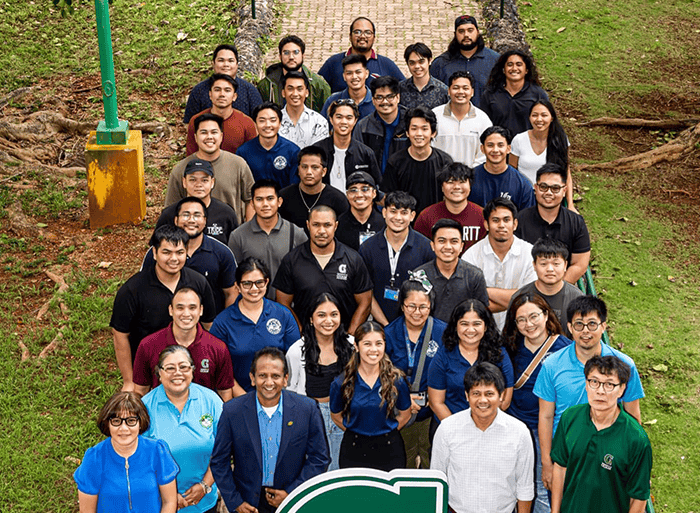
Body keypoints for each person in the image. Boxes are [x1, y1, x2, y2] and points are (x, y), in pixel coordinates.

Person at [533, 296, 645, 496]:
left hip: (608, 459)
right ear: (569, 327)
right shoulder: (552, 365)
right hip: (566, 458)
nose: (586, 331)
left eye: (592, 324)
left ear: (603, 326)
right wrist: (547, 463)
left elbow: (633, 417)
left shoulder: (624, 365)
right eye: (579, 325)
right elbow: (546, 416)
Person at [210, 347, 330, 513]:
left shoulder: (307, 409)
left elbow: (319, 458)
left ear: (285, 379)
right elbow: (219, 461)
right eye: (262, 376)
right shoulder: (232, 411)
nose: (269, 382)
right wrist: (235, 502)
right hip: (247, 503)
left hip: (291, 500)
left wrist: (292, 492)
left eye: (275, 376)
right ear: (252, 378)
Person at [110, 225, 216, 392]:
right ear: (154, 253)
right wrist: (129, 381)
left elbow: (209, 325)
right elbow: (120, 335)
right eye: (166, 252)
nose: (174, 258)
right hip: (150, 370)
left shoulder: (198, 283)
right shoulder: (132, 290)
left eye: (180, 252)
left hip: (191, 367)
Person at [550, 356, 652, 513]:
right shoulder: (569, 418)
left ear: (622, 389)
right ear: (586, 384)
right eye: (594, 382)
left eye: (609, 384)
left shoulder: (636, 439)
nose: (600, 391)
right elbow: (560, 469)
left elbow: (639, 497)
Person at [430, 362, 534, 513]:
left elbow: (525, 486)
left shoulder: (519, 432)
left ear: (501, 395)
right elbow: (437, 480)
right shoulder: (447, 429)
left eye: (489, 394)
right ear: (467, 396)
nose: (483, 400)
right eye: (476, 393)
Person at [502, 293, 572, 513]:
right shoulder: (510, 347)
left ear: (546, 315)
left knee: (543, 484)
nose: (528, 324)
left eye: (534, 317)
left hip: (547, 430)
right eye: (521, 319)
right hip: (515, 426)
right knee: (512, 482)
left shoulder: (565, 348)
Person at [142, 346, 223, 513]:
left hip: (205, 502)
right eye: (170, 368)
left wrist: (205, 485)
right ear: (159, 373)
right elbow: (139, 459)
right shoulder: (145, 407)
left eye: (184, 367)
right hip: (159, 504)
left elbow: (224, 450)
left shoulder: (211, 401)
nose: (177, 373)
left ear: (192, 370)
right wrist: (168, 495)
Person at [73, 392, 179, 513]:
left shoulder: (157, 451)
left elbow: (169, 502)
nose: (124, 428)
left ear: (140, 422)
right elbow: (87, 511)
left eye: (131, 420)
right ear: (107, 423)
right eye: (116, 421)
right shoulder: (94, 458)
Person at [273, 205, 373, 333]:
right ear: (308, 225)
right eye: (316, 225)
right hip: (306, 341)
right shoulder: (291, 260)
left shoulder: (353, 259)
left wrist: (350, 337)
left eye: (327, 225)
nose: (321, 231)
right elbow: (282, 303)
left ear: (335, 226)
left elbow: (365, 303)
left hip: (344, 339)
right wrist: (300, 335)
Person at [286, 293, 355, 471]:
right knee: (314, 474)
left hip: (343, 415)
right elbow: (290, 393)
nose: (328, 321)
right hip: (312, 418)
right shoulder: (296, 351)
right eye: (321, 315)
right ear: (311, 319)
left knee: (342, 473)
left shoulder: (352, 346)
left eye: (334, 314)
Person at [330, 321, 412, 470]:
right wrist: (359, 432)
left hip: (390, 450)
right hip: (353, 450)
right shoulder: (342, 383)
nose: (374, 349)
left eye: (378, 344)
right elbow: (336, 416)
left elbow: (405, 415)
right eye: (367, 344)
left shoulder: (397, 380)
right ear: (356, 346)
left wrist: (384, 432)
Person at [133, 288, 240, 401]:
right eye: (180, 308)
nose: (186, 313)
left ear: (201, 310)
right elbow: (141, 391)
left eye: (192, 308)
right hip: (161, 414)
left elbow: (225, 393)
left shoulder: (218, 348)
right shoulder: (148, 345)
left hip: (205, 416)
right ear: (171, 310)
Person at [209, 258, 300, 392]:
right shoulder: (223, 322)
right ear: (237, 286)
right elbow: (220, 368)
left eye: (259, 283)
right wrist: (244, 399)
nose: (254, 289)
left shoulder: (283, 315)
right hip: (240, 397)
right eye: (247, 284)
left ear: (267, 282)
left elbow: (295, 359)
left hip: (279, 395)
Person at [384, 279, 447, 468]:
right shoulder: (389, 334)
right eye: (411, 306)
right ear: (402, 306)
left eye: (423, 307)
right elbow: (382, 374)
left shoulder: (442, 332)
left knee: (433, 462)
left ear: (431, 307)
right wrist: (401, 399)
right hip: (401, 410)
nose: (417, 312)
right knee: (405, 462)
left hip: (434, 411)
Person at [427, 299, 515, 433]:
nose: (470, 329)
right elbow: (436, 402)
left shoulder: (499, 353)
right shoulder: (443, 355)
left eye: (477, 324)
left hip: (490, 429)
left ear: (485, 327)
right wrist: (460, 431)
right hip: (451, 429)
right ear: (456, 326)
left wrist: (483, 426)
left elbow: (506, 398)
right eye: (464, 324)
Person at [144, 197, 238, 314]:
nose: (191, 220)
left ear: (205, 221)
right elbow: (143, 288)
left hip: (210, 325)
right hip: (164, 325)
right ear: (176, 220)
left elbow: (231, 293)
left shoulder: (222, 252)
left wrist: (224, 325)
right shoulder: (158, 252)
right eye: (185, 215)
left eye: (197, 215)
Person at [358, 191, 435, 326]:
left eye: (404, 212)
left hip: (416, 324)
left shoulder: (426, 248)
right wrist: (387, 327)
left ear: (412, 216)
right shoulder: (367, 248)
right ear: (384, 213)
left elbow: (430, 292)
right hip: (379, 325)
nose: (398, 217)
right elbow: (366, 293)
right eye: (393, 211)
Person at [166, 112, 255, 224]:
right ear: (195, 137)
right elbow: (171, 208)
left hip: (230, 235)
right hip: (191, 234)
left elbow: (251, 200)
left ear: (221, 136)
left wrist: (248, 229)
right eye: (203, 132)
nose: (209, 137)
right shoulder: (181, 169)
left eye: (214, 132)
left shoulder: (238, 164)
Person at [462, 197, 536, 330]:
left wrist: (483, 291)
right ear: (486, 225)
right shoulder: (471, 256)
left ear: (515, 224)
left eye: (506, 220)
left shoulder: (530, 254)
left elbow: (532, 298)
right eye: (495, 220)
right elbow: (469, 303)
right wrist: (517, 299)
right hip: (481, 332)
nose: (501, 225)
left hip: (523, 331)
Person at [228, 180, 308, 300]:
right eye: (259, 199)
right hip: (252, 305)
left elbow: (305, 275)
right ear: (252, 204)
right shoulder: (238, 236)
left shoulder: (297, 234)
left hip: (288, 307)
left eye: (270, 198)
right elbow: (234, 279)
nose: (265, 204)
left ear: (279, 202)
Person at [515, 163, 591, 283]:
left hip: (564, 286)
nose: (549, 193)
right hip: (525, 286)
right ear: (535, 188)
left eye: (555, 188)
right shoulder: (519, 221)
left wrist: (556, 290)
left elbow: (579, 264)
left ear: (564, 190)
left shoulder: (576, 222)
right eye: (543, 187)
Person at [411, 219, 489, 322]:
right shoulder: (419, 275)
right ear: (432, 245)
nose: (448, 247)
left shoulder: (475, 275)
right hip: (428, 335)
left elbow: (481, 314)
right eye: (442, 241)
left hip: (463, 335)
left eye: (454, 241)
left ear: (461, 246)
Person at [381, 105, 454, 214]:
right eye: (414, 128)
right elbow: (389, 198)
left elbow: (449, 197)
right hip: (405, 223)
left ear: (433, 133)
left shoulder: (445, 162)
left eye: (424, 129)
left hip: (436, 223)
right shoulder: (395, 162)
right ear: (407, 133)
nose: (419, 134)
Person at [156, 159, 238, 245]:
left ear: (212, 182)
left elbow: (236, 250)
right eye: (193, 180)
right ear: (184, 182)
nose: (198, 185)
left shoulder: (226, 213)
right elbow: (157, 249)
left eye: (204, 180)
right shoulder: (169, 214)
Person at [509, 100, 575, 207]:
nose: (539, 119)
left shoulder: (560, 140)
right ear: (529, 117)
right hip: (525, 197)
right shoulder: (519, 140)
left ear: (552, 117)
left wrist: (570, 204)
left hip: (552, 197)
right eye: (534, 115)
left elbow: (566, 172)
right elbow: (512, 172)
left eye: (544, 115)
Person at [513, 238, 583, 337]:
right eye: (543, 264)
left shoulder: (577, 299)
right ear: (534, 265)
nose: (550, 269)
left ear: (565, 265)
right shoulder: (520, 297)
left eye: (556, 264)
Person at [430, 15, 500, 108]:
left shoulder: (495, 61)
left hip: (486, 120)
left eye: (470, 30)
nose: (466, 35)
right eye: (461, 31)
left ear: (478, 32)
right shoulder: (441, 63)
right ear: (455, 34)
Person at [319, 17, 405, 93]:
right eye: (357, 32)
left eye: (368, 32)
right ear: (350, 36)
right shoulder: (333, 63)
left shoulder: (386, 64)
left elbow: (405, 89)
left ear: (374, 37)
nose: (362, 36)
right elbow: (316, 88)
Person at [414, 162, 486, 252]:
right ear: (442, 187)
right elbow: (419, 250)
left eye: (462, 182)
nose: (456, 187)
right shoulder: (426, 217)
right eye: (450, 182)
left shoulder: (483, 216)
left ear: (470, 186)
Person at [183, 43, 263, 123]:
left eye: (230, 61)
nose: (226, 65)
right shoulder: (199, 91)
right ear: (213, 64)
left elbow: (260, 123)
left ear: (237, 65)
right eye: (221, 60)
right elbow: (189, 125)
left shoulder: (250, 91)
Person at [315, 99, 382, 193]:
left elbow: (376, 186)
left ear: (355, 121)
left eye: (349, 118)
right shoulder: (317, 151)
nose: (343, 122)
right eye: (339, 117)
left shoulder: (365, 153)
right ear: (331, 119)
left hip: (356, 204)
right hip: (324, 206)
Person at [278, 145, 349, 230]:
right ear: (298, 170)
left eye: (314, 167)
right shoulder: (284, 196)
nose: (308, 172)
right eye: (304, 167)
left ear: (324, 171)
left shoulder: (338, 199)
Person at [480, 49, 549, 137]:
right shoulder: (490, 94)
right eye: (509, 65)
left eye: (519, 64)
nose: (514, 68)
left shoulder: (538, 94)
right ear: (503, 70)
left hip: (529, 147)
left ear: (526, 70)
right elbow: (482, 124)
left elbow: (547, 123)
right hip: (499, 147)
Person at [431, 70, 492, 167]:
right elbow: (429, 147)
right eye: (456, 88)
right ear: (448, 91)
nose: (460, 92)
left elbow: (485, 152)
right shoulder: (435, 115)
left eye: (465, 88)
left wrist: (470, 174)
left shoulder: (483, 119)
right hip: (441, 176)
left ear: (472, 92)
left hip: (471, 178)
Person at [257, 35, 331, 114]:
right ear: (280, 56)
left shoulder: (319, 84)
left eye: (296, 52)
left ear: (303, 56)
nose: (291, 57)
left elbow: (327, 115)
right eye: (286, 53)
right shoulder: (266, 85)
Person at [186, 74, 257, 156]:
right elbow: (191, 156)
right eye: (217, 90)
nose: (222, 94)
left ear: (234, 96)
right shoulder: (196, 121)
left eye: (227, 90)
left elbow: (252, 157)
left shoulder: (247, 123)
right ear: (210, 95)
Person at [352, 75, 410, 175]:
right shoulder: (363, 127)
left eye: (389, 96)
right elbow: (358, 160)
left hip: (405, 185)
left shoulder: (411, 123)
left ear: (398, 97)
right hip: (374, 187)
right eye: (379, 97)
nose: (385, 102)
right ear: (373, 101)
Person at [468, 126, 536, 211]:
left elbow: (526, 218)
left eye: (500, 145)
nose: (495, 150)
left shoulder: (522, 185)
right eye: (490, 145)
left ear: (508, 149)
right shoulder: (469, 179)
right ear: (482, 149)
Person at [235, 102, 300, 188]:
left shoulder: (293, 151)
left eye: (273, 120)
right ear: (255, 124)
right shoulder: (243, 152)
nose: (267, 125)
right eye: (262, 121)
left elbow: (295, 186)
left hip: (284, 200)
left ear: (280, 123)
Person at [278, 71, 330, 148]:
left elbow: (320, 154)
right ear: (283, 93)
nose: (295, 94)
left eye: (299, 89)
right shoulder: (274, 121)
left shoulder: (319, 122)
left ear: (306, 93)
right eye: (290, 89)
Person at [336, 171, 385, 251]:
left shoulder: (384, 224)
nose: (359, 195)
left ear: (374, 193)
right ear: (347, 195)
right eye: (353, 190)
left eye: (365, 189)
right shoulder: (338, 225)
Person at [320, 55, 376, 122]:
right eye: (349, 73)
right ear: (344, 76)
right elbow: (322, 127)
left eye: (358, 72)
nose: (354, 77)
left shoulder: (376, 101)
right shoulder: (333, 100)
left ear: (366, 74)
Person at [398, 42, 449, 110]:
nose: (417, 66)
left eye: (421, 62)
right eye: (412, 63)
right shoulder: (399, 89)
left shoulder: (443, 90)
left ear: (429, 60)